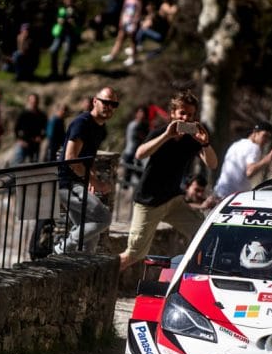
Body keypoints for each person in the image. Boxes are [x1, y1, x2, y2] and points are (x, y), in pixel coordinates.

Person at [118, 91, 219, 271]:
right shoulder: (160, 133)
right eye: (182, 113)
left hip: (173, 200)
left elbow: (212, 164)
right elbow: (139, 154)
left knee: (202, 233)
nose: (186, 118)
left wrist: (205, 143)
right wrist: (166, 135)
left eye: (190, 114)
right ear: (173, 114)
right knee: (134, 254)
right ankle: (105, 275)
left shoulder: (193, 139)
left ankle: (191, 274)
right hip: (149, 201)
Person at [55, 87, 119, 254]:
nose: (109, 106)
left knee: (90, 235)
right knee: (103, 218)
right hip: (66, 183)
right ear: (95, 101)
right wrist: (94, 182)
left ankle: (80, 265)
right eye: (105, 102)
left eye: (114, 104)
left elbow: (87, 158)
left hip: (77, 183)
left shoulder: (100, 128)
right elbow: (71, 158)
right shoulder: (82, 123)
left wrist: (91, 177)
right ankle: (63, 248)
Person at [214, 121, 272, 198]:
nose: (266, 140)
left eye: (268, 137)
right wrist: (269, 157)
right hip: (233, 196)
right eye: (264, 135)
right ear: (255, 133)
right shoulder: (254, 147)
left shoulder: (236, 144)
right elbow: (250, 172)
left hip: (220, 191)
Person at [102, 0, 142, 64]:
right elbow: (123, 10)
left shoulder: (138, 1)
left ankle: (132, 58)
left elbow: (138, 13)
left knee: (132, 41)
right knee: (119, 38)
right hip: (125, 21)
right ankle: (112, 55)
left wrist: (134, 24)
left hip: (132, 23)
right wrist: (121, 20)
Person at [48, 0, 80, 80]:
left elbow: (78, 22)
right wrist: (60, 20)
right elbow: (57, 19)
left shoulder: (76, 10)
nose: (68, 1)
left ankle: (64, 73)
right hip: (60, 33)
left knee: (67, 52)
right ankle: (54, 72)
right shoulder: (61, 9)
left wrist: (73, 22)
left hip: (70, 34)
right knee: (53, 51)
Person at [13, 92, 47, 164]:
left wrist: (41, 137)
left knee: (34, 166)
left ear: (38, 102)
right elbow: (16, 128)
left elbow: (46, 129)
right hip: (24, 144)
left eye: (35, 101)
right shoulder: (23, 114)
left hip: (35, 145)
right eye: (32, 101)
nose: (33, 103)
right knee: (18, 166)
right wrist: (19, 140)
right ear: (28, 102)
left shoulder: (42, 115)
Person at [120, 105, 149, 186]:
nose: (141, 115)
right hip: (129, 154)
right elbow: (130, 139)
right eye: (140, 112)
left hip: (136, 155)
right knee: (127, 178)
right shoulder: (133, 125)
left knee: (139, 176)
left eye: (143, 113)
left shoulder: (144, 126)